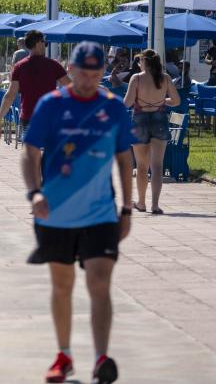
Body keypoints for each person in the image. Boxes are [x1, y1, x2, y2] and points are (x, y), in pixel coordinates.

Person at [22, 42, 134, 384]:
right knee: (62, 284)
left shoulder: (113, 107)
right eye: (83, 73)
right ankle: (64, 355)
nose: (88, 80)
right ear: (70, 70)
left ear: (103, 73)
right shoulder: (52, 105)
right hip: (55, 213)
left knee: (99, 282)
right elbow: (30, 151)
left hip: (100, 213)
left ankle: (101, 358)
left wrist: (127, 209)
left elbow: (124, 160)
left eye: (96, 75)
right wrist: (34, 192)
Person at [123, 49, 180, 215]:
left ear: (144, 62)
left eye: (139, 61)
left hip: (140, 120)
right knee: (157, 166)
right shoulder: (165, 78)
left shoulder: (136, 78)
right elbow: (176, 101)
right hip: (160, 119)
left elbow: (127, 103)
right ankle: (155, 205)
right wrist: (162, 100)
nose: (138, 64)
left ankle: (141, 203)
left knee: (141, 166)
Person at [0, 30, 71, 140]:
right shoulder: (53, 65)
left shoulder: (19, 67)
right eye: (44, 42)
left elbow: (10, 95)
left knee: (30, 149)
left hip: (28, 117)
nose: (45, 45)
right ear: (38, 43)